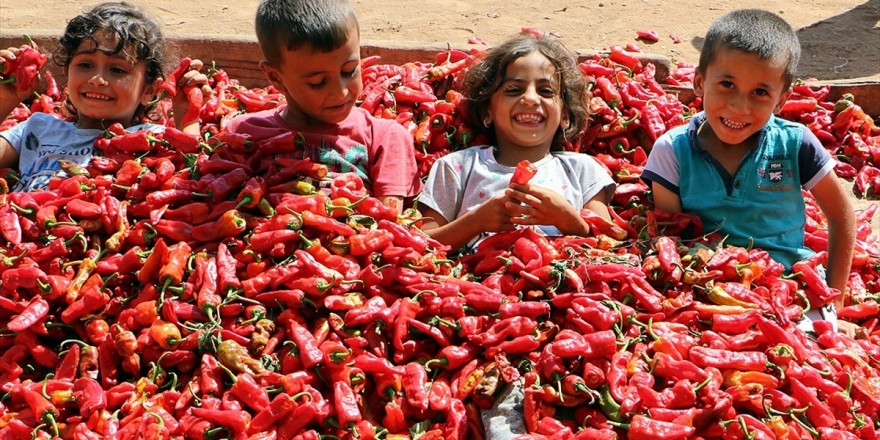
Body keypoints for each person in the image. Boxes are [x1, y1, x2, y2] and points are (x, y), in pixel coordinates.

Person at [641, 9, 856, 334]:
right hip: (711, 287)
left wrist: (833, 300)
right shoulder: (672, 152)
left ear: (782, 100)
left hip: (792, 284)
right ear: (699, 82)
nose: (740, 107)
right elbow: (672, 241)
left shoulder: (796, 144)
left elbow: (841, 216)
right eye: (727, 84)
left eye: (760, 92)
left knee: (812, 348)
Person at [417, 32, 615, 253]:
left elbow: (609, 245)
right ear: (487, 111)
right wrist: (475, 221)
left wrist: (571, 223)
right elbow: (423, 245)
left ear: (565, 116)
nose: (530, 98)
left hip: (560, 284)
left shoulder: (582, 171)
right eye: (514, 90)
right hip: (477, 285)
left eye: (545, 91)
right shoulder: (457, 167)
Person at [225, 0, 421, 212]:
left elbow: (388, 223)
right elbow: (202, 189)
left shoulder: (385, 137)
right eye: (317, 82)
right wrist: (185, 115)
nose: (341, 92)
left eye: (350, 71)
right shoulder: (243, 134)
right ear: (275, 78)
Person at [0, 1, 208, 192]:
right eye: (85, 65)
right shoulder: (39, 128)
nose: (97, 79)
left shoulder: (153, 138)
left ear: (149, 90)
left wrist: (187, 114)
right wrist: (5, 101)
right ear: (67, 72)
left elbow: (193, 176)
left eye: (117, 70)